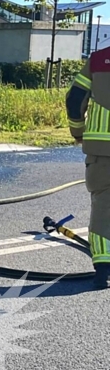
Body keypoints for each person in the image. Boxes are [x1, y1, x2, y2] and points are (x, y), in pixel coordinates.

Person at [67, 47, 110, 289]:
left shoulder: (98, 60)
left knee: (104, 208)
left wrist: (78, 131)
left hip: (101, 152)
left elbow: (75, 98)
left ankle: (103, 271)